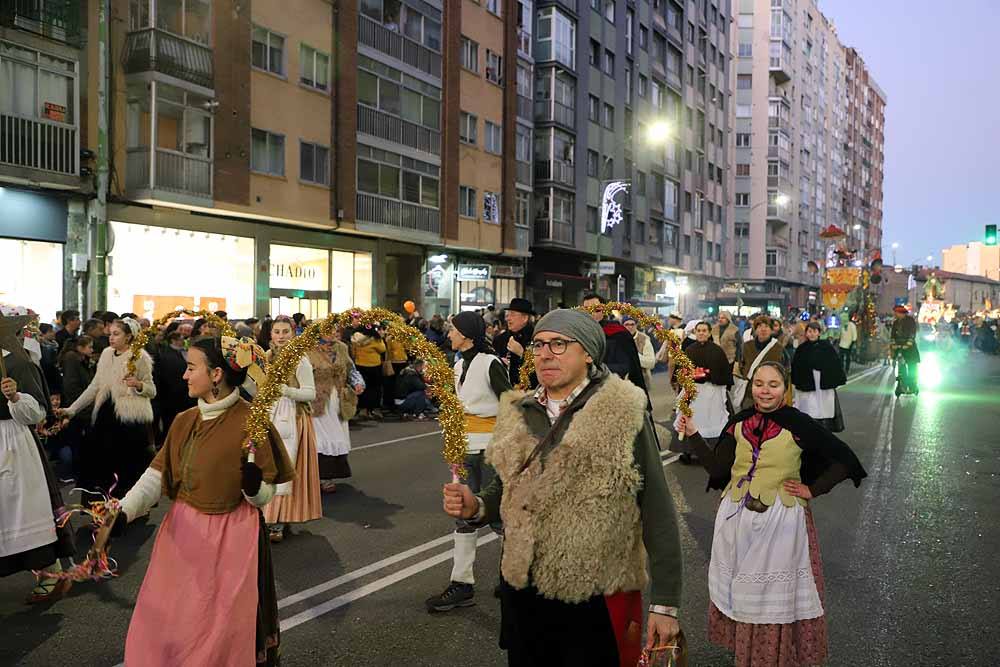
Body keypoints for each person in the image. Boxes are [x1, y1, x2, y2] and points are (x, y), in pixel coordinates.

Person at [442, 310, 682, 665]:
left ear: (587, 352)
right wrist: (476, 505)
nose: (544, 353)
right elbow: (506, 485)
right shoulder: (522, 409)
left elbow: (657, 510)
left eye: (558, 344)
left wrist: (665, 603)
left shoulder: (621, 412)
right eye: (539, 344)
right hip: (524, 588)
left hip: (593, 592)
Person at [112, 336, 294, 666]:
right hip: (181, 537)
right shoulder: (184, 421)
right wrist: (124, 512)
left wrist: (254, 489)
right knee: (172, 620)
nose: (184, 375)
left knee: (219, 628)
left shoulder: (250, 422)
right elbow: (155, 475)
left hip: (232, 539)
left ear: (216, 375)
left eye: (191, 367)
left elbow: (265, 494)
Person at [677, 362, 867, 667]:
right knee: (744, 589)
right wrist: (694, 435)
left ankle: (771, 657)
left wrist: (813, 489)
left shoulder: (799, 424)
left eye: (773, 385)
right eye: (759, 384)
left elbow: (845, 459)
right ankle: (749, 654)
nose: (765, 391)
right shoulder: (738, 423)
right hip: (736, 519)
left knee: (771, 594)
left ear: (785, 389)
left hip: (782, 521)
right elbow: (717, 470)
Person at [426, 312, 511, 613]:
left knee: (498, 516)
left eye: (454, 330)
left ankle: (511, 575)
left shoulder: (491, 364)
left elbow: (509, 403)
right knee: (463, 516)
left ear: (468, 335)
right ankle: (462, 583)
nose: (449, 334)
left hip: (489, 449)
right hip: (462, 448)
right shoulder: (459, 363)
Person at [0, 306, 76, 603]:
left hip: (12, 444)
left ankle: (51, 570)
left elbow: (37, 412)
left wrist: (15, 397)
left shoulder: (17, 363)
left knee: (23, 510)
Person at [60, 318, 156, 504]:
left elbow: (152, 390)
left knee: (127, 466)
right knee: (99, 463)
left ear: (129, 336)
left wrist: (138, 385)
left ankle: (126, 507)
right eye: (110, 333)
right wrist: (72, 410)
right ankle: (100, 506)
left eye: (116, 334)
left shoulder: (140, 357)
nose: (111, 338)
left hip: (129, 420)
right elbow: (95, 386)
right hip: (106, 417)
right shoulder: (106, 354)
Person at [256, 316, 321, 542]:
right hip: (268, 414)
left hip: (293, 416)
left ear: (293, 333)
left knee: (284, 467)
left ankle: (278, 521)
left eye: (285, 331)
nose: (281, 336)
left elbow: (310, 392)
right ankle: (264, 515)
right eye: (277, 332)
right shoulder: (265, 357)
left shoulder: (299, 358)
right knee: (264, 465)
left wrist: (286, 390)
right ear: (270, 334)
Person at [309, 335, 363, 494]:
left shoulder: (342, 348)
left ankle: (327, 478)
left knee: (335, 439)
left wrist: (358, 382)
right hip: (316, 402)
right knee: (318, 440)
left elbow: (351, 369)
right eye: (330, 329)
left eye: (336, 329)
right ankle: (315, 478)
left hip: (337, 402)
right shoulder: (307, 349)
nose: (335, 333)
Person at [673, 322, 733, 463]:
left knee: (711, 420)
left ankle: (713, 451)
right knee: (690, 421)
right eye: (698, 330)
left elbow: (724, 374)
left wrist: (708, 375)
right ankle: (688, 451)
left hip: (712, 393)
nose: (701, 333)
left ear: (709, 332)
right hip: (693, 393)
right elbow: (680, 371)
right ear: (695, 332)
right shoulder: (689, 350)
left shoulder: (717, 351)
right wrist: (692, 375)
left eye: (704, 330)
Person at [581, 294, 648, 394]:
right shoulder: (578, 334)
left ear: (604, 311)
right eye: (586, 310)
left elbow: (625, 366)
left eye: (596, 310)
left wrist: (592, 369)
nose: (591, 314)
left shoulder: (618, 333)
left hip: (610, 390)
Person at [791, 322, 847, 432]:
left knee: (823, 406)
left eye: (814, 331)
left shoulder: (826, 347)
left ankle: (824, 428)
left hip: (823, 382)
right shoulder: (801, 349)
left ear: (819, 333)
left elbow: (834, 364)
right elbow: (796, 365)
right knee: (808, 407)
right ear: (806, 333)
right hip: (807, 383)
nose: (812, 334)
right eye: (810, 331)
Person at [152, 330, 195, 445]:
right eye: (181, 339)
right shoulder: (165, 355)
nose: (183, 342)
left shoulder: (183, 352)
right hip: (171, 395)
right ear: (173, 340)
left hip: (182, 394)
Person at [736, 316, 788, 410]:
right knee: (748, 420)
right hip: (750, 392)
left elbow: (786, 369)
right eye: (759, 326)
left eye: (766, 326)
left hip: (771, 394)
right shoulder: (746, 346)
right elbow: (741, 365)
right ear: (755, 330)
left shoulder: (779, 348)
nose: (763, 329)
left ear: (771, 330)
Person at [493, 298, 535, 387]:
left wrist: (522, 353)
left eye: (512, 315)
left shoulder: (536, 338)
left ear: (525, 318)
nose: (508, 318)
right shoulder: (500, 339)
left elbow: (539, 369)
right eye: (507, 315)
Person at [352, 323, 386, 420]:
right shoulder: (375, 339)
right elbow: (383, 349)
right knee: (374, 389)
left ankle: (362, 409)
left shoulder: (356, 339)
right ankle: (373, 409)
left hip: (360, 365)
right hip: (374, 366)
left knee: (362, 388)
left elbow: (353, 352)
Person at [890, 306, 920, 396]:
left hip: (909, 348)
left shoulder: (910, 321)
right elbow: (892, 335)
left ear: (901, 313)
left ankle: (912, 385)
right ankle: (902, 385)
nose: (894, 315)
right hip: (899, 348)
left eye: (896, 313)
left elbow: (912, 333)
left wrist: (908, 344)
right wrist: (893, 344)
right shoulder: (895, 323)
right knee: (901, 368)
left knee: (912, 367)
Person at [623, 316, 655, 391]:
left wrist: (634, 356)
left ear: (636, 325)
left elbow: (651, 362)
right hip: (623, 381)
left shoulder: (644, 339)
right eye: (627, 324)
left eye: (632, 324)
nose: (630, 327)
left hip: (641, 380)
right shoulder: (618, 338)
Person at [382, 330, 409, 414]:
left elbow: (407, 349)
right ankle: (390, 405)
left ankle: (399, 404)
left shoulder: (403, 337)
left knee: (400, 385)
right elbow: (388, 352)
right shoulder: (389, 339)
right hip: (393, 364)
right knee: (391, 385)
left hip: (402, 362)